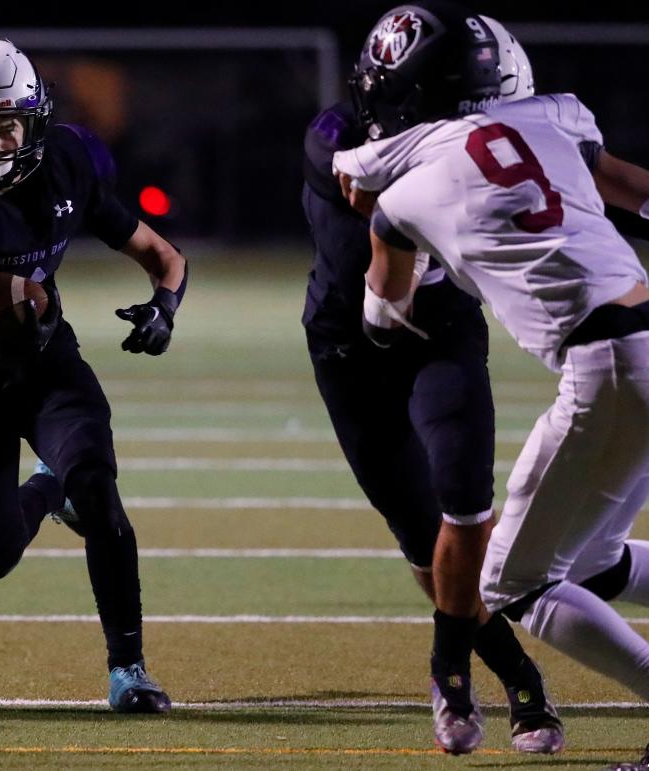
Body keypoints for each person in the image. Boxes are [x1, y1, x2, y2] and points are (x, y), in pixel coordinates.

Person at [332, 0, 649, 762]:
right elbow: (635, 191)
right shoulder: (550, 125)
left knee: (517, 584)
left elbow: (383, 315)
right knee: (597, 562)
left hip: (609, 367)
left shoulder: (401, 195)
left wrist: (403, 250)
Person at [0, 39, 187, 713]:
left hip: (45, 360)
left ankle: (128, 669)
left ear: (34, 124)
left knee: (100, 489)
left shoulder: (68, 170)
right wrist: (5, 345)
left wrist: (165, 306)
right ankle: (49, 490)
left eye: (5, 127)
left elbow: (159, 254)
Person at [301, 15, 561, 757]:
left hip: (438, 329)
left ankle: (463, 677)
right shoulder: (333, 138)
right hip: (352, 348)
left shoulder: (463, 137)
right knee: (423, 541)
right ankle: (515, 668)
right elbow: (371, 192)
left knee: (465, 500)